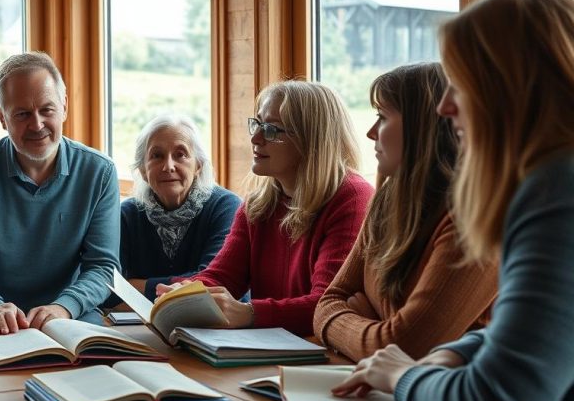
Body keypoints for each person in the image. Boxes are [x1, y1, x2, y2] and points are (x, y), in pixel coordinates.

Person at [333, 0, 574, 401]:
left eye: (460, 84)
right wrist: (456, 351)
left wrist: (402, 375)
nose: (445, 107)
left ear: (509, 87)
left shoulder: (555, 199)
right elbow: (542, 333)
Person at [156, 81, 373, 336]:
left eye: (271, 130)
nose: (255, 138)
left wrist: (249, 313)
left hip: (322, 353)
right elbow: (222, 276)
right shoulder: (259, 204)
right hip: (273, 347)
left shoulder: (352, 198)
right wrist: (183, 294)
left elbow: (326, 306)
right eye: (257, 124)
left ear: (310, 139)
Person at [313, 63, 496, 361]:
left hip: (448, 400)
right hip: (381, 387)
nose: (372, 133)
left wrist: (362, 321)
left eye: (383, 117)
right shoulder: (387, 200)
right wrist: (377, 329)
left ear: (424, 126)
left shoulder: (474, 221)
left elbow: (405, 348)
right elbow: (328, 302)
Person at [0, 52, 120, 334]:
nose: (37, 125)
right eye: (22, 114)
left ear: (64, 107)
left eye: (47, 110)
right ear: (2, 117)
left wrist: (64, 306)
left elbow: (103, 267)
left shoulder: (99, 172)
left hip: (70, 311)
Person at [112, 114, 241, 305]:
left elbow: (215, 284)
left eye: (180, 154)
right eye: (157, 156)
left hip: (217, 328)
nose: (168, 166)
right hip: (140, 327)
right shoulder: (127, 215)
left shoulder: (225, 207)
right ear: (142, 171)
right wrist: (187, 283)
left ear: (198, 165)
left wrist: (139, 286)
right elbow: (109, 288)